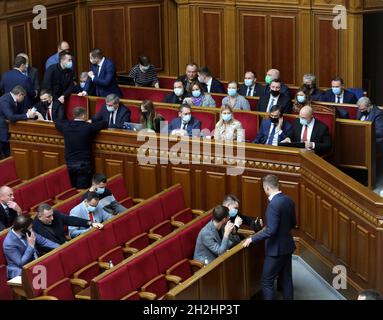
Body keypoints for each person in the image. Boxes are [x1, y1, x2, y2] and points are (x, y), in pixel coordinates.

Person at [243, 174, 297, 300]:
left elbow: (271, 230)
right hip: (288, 246)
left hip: (276, 250)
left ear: (266, 188)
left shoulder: (273, 205)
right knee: (287, 278)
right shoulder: (289, 200)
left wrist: (252, 238)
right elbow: (293, 223)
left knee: (266, 282)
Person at [55, 107, 108, 188]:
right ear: (83, 115)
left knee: (72, 188)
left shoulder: (66, 126)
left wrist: (69, 121)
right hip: (83, 164)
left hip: (69, 163)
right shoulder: (88, 127)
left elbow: (57, 122)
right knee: (82, 190)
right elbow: (104, 123)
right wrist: (91, 121)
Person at [32, 203, 103, 251]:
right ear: (40, 217)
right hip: (52, 252)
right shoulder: (35, 226)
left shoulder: (55, 214)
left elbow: (70, 220)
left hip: (65, 245)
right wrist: (63, 247)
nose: (52, 218)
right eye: (48, 217)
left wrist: (90, 223)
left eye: (52, 214)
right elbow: (44, 245)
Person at [0, 86, 37, 158]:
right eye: (23, 97)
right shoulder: (5, 101)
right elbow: (11, 117)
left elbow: (18, 111)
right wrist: (27, 115)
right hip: (2, 131)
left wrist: (28, 111)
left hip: (8, 131)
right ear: (20, 94)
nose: (23, 99)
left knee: (8, 155)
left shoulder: (13, 99)